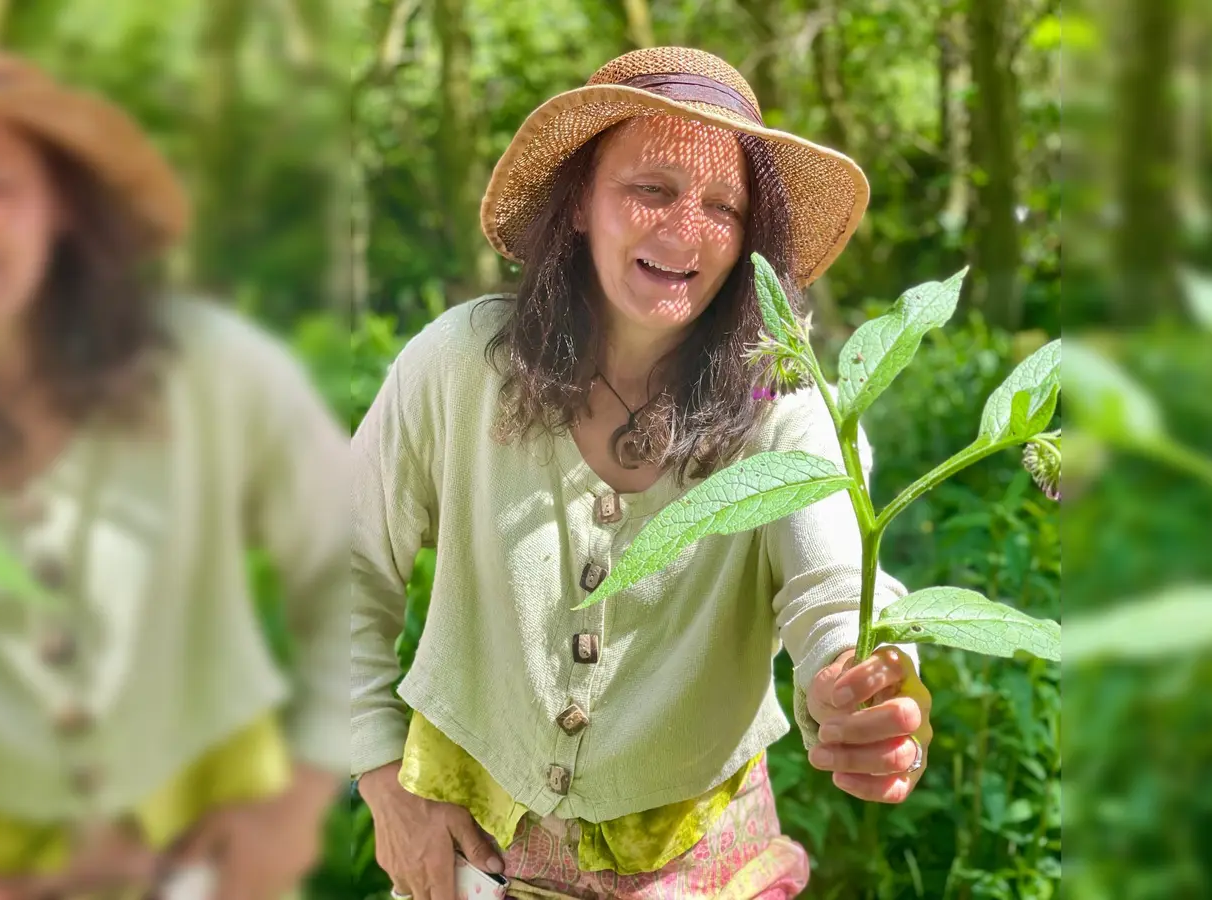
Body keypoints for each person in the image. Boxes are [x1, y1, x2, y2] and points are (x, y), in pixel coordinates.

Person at [350, 47, 935, 899]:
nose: (685, 229)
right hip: (466, 869)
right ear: (581, 201)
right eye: (650, 188)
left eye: (723, 206)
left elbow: (836, 585)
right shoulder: (461, 366)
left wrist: (865, 682)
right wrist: (376, 770)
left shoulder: (785, 406)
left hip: (702, 873)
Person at [0, 46, 350, 899]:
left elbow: (349, 568)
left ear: (62, 199)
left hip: (213, 860)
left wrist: (295, 808)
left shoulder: (212, 369)